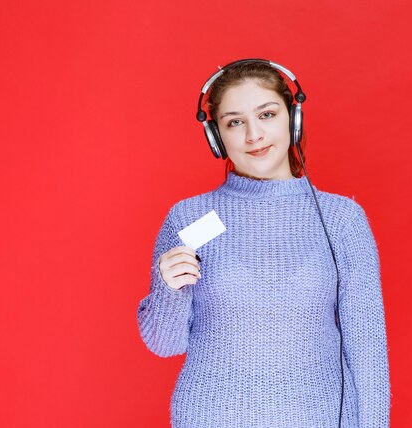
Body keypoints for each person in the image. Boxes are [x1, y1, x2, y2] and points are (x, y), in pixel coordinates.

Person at [136, 59, 390, 427]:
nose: (254, 134)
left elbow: (368, 351)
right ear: (216, 137)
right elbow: (165, 345)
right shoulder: (188, 219)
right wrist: (168, 290)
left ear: (293, 118)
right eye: (234, 122)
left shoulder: (342, 220)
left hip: (321, 417)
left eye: (267, 114)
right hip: (210, 416)